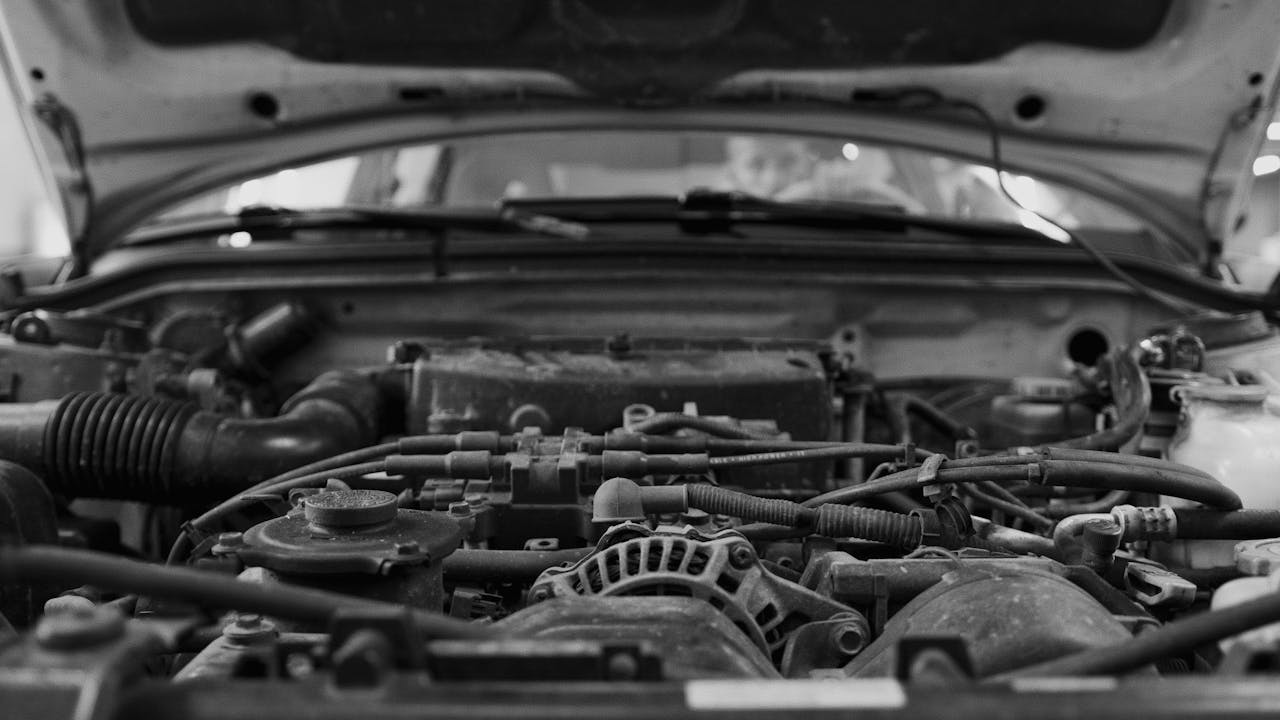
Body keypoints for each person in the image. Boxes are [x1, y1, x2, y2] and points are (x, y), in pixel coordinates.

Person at [720, 135, 925, 211]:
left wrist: (851, 198)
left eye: (789, 161)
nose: (774, 178)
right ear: (732, 173)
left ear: (808, 164)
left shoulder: (830, 202)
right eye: (755, 165)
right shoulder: (715, 229)